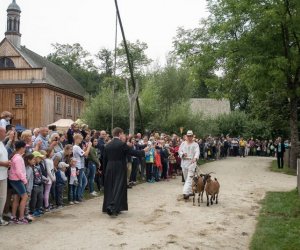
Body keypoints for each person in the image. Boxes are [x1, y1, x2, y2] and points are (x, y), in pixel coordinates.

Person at [102, 127, 148, 217]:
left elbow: (105, 159)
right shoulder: (122, 144)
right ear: (119, 134)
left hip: (109, 167)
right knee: (119, 187)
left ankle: (108, 205)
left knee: (110, 187)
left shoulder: (108, 145)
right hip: (119, 166)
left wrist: (104, 170)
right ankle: (113, 208)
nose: (123, 135)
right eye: (122, 134)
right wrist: (144, 151)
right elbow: (133, 152)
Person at [8, 140, 29, 224]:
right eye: (24, 147)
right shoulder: (18, 158)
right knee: (24, 197)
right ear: (21, 148)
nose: (25, 149)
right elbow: (19, 172)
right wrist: (25, 180)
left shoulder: (16, 156)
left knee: (16, 198)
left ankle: (13, 217)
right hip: (17, 180)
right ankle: (21, 217)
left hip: (14, 179)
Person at [179, 130, 200, 200]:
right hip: (184, 163)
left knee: (189, 178)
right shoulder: (183, 143)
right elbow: (179, 151)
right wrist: (182, 154)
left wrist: (195, 158)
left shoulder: (195, 144)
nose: (189, 137)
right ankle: (190, 191)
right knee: (185, 178)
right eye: (188, 136)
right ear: (186, 136)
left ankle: (185, 193)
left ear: (193, 136)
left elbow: (197, 152)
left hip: (192, 163)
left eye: (191, 136)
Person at [73, 133, 92, 202]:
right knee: (80, 182)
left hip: (80, 166)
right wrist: (89, 146)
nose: (81, 140)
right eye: (80, 139)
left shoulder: (77, 147)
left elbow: (83, 153)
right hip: (79, 167)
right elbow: (85, 154)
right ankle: (78, 197)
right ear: (76, 139)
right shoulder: (76, 147)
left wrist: (86, 148)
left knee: (84, 181)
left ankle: (80, 195)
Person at [0, 127, 11, 226]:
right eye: (4, 132)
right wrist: (5, 163)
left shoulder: (2, 143)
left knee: (2, 197)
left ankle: (0, 217)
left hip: (3, 174)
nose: (5, 134)